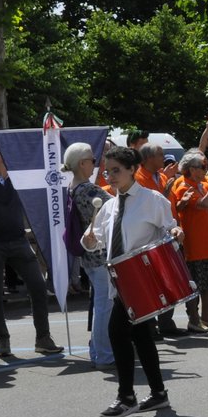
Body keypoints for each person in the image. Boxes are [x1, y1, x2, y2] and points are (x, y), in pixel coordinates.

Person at [82, 146, 180, 417]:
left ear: (132, 170)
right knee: (141, 336)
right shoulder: (109, 205)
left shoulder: (152, 199)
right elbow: (97, 239)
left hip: (142, 278)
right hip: (118, 279)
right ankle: (158, 393)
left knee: (117, 332)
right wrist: (89, 241)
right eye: (107, 171)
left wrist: (175, 230)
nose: (110, 176)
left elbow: (168, 228)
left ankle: (126, 396)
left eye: (116, 171)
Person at [0, 143, 63, 358]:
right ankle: (3, 339)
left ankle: (43, 338)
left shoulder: (18, 176)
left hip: (18, 239)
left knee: (38, 286)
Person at [62, 144, 115, 371]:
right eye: (92, 160)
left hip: (89, 256)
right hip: (99, 254)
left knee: (101, 304)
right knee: (105, 306)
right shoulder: (89, 190)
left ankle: (98, 351)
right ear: (82, 163)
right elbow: (117, 207)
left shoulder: (72, 188)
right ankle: (103, 355)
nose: (95, 163)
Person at [169, 149, 208, 332]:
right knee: (194, 285)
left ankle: (206, 317)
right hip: (194, 245)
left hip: (207, 243)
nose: (205, 170)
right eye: (202, 167)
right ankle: (194, 319)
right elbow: (204, 204)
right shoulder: (183, 184)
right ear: (192, 169)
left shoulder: (202, 184)